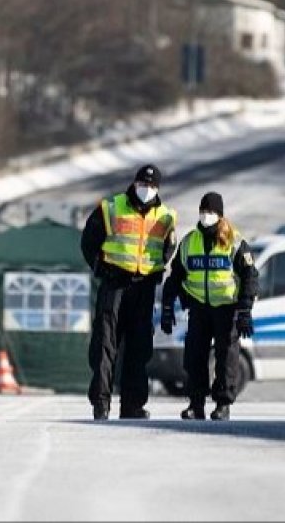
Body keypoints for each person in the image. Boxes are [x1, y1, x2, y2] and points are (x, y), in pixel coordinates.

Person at [80, 163, 178, 420]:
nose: (146, 189)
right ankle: (101, 403)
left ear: (158, 189)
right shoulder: (111, 207)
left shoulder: (165, 216)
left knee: (139, 347)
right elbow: (89, 240)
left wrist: (157, 267)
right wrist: (100, 268)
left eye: (151, 186)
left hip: (143, 287)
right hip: (115, 284)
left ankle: (132, 405)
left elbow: (169, 246)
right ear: (134, 183)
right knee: (105, 345)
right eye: (143, 184)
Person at [161, 192, 257, 421]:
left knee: (226, 357)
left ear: (220, 215)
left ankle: (223, 404)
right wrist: (167, 306)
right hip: (199, 308)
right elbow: (175, 276)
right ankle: (196, 404)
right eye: (203, 211)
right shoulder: (189, 241)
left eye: (211, 211)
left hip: (226, 308)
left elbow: (250, 276)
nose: (206, 215)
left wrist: (245, 310)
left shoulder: (234, 241)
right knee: (194, 356)